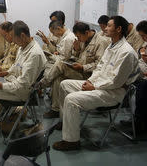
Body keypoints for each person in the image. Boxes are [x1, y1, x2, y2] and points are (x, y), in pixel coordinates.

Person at [52, 16, 140, 151]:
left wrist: (94, 86)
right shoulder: (112, 46)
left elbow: (116, 81)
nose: (105, 28)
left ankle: (71, 141)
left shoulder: (126, 52)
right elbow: (100, 68)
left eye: (109, 26)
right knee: (65, 85)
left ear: (119, 29)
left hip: (113, 93)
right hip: (100, 85)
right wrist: (90, 81)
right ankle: (67, 123)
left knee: (71, 99)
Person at [40, 21, 110, 118]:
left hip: (90, 76)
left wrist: (83, 67)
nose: (78, 39)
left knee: (60, 64)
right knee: (58, 78)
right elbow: (77, 56)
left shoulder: (100, 42)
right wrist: (76, 50)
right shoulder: (82, 40)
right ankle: (57, 110)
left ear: (86, 33)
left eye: (79, 36)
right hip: (79, 70)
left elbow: (100, 65)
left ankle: (43, 84)